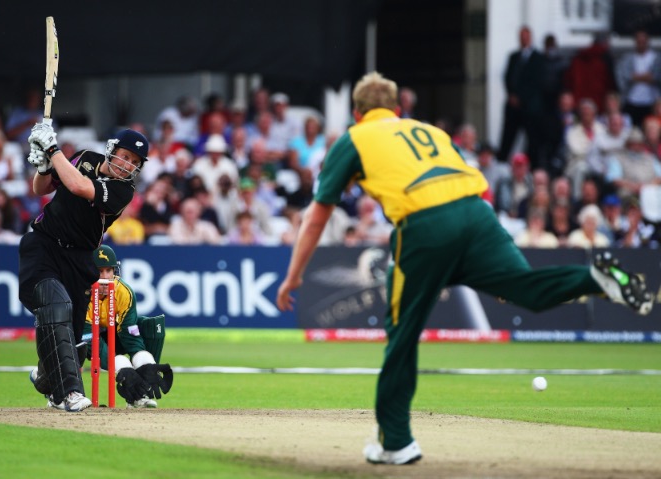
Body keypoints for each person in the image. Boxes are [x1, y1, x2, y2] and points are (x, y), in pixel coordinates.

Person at [275, 71, 654, 466]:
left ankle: (396, 442)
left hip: (425, 224)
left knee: (402, 334)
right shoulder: (430, 131)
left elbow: (316, 216)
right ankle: (594, 278)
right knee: (525, 288)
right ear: (398, 109)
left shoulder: (355, 137)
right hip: (477, 215)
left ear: (357, 113)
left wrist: (293, 276)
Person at [20, 122, 171, 412]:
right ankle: (70, 393)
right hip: (45, 243)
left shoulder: (123, 191)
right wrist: (43, 167)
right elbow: (41, 189)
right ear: (112, 150)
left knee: (76, 340)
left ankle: (47, 379)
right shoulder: (85, 157)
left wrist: (52, 151)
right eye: (125, 156)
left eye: (135, 162)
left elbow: (79, 186)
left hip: (80, 259)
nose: (127, 165)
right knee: (55, 305)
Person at [82, 245, 171, 408]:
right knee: (73, 341)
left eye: (108, 271)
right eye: (99, 271)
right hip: (85, 336)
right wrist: (122, 366)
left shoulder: (123, 292)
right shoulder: (82, 292)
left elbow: (129, 331)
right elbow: (88, 335)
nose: (105, 277)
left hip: (111, 332)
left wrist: (144, 362)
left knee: (150, 327)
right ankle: (62, 391)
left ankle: (139, 392)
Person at [498, 25, 546, 168]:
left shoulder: (538, 58)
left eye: (526, 36)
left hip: (529, 108)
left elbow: (537, 82)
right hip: (513, 108)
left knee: (532, 141)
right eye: (521, 37)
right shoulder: (513, 57)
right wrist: (512, 95)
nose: (524, 39)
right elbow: (507, 77)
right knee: (507, 139)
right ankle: (501, 165)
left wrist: (522, 98)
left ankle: (533, 169)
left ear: (530, 38)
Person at [616, 29, 661, 127]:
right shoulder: (627, 59)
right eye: (639, 41)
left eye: (643, 41)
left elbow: (656, 77)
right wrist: (646, 77)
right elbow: (624, 76)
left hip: (652, 101)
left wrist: (636, 77)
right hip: (632, 100)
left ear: (648, 41)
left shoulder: (656, 58)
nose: (641, 44)